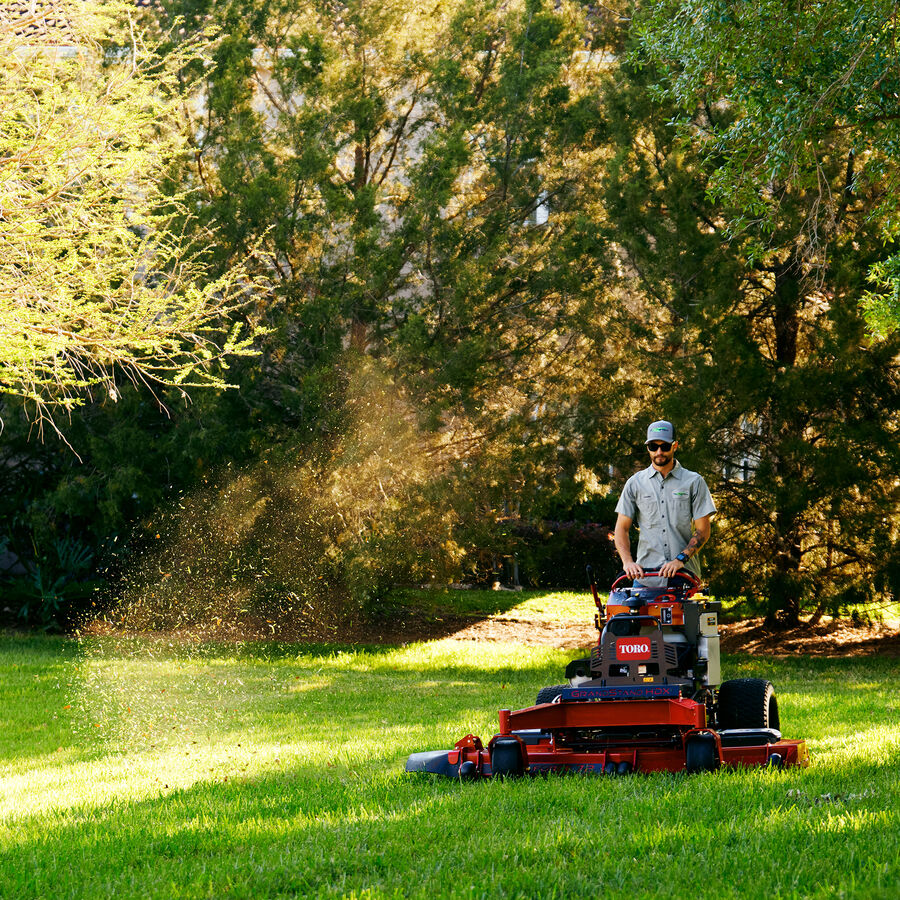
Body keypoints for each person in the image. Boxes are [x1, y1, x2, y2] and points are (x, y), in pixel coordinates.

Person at [614, 420, 716, 581]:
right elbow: (621, 528)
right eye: (653, 447)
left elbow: (703, 531)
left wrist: (679, 560)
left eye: (665, 446)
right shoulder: (635, 483)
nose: (659, 452)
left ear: (675, 446)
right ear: (648, 448)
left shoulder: (694, 482)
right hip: (646, 577)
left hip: (685, 576)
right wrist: (627, 562)